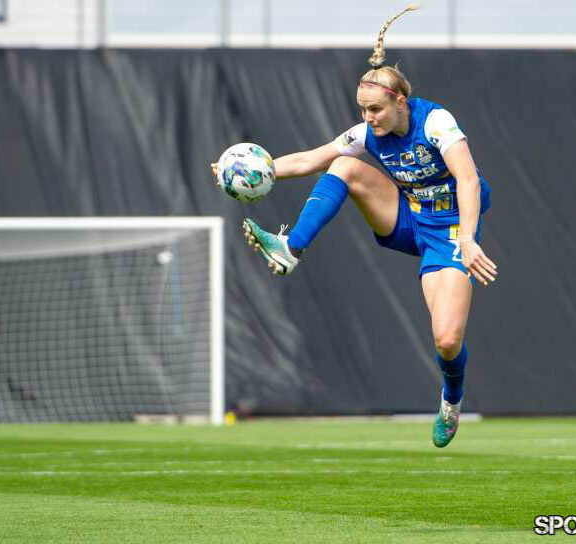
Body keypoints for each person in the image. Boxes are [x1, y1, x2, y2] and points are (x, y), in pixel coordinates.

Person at [211, 5, 497, 447]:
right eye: (363, 111)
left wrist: (470, 239)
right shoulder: (367, 134)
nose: (369, 119)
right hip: (408, 219)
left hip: (453, 232)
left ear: (400, 101)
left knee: (445, 339)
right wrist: (251, 166)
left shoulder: (435, 122)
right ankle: (291, 247)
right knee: (344, 165)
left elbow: (468, 180)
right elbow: (310, 159)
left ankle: (451, 400)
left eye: (376, 110)